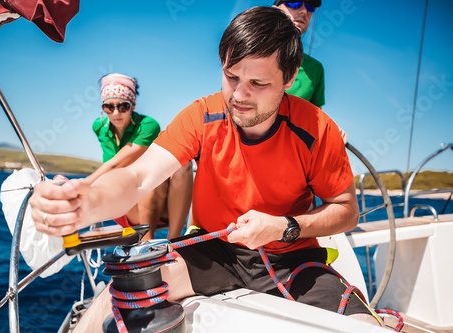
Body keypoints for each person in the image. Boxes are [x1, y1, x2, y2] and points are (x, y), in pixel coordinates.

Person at [30, 6, 379, 331]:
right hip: (216, 250)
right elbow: (138, 177)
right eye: (231, 76)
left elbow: (346, 211)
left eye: (258, 83)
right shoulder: (203, 115)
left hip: (293, 258)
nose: (239, 95)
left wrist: (282, 227)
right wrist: (86, 202)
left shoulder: (318, 129)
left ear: (288, 81)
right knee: (122, 291)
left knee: (362, 326)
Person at [90, 73, 193, 239]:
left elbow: (117, 162)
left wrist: (84, 183)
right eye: (109, 107)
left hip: (158, 203)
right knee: (143, 174)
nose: (116, 113)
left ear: (133, 105)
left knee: (181, 164)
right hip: (124, 204)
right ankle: (147, 241)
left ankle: (175, 242)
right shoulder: (99, 127)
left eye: (123, 106)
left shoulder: (148, 126)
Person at [274, 0, 348, 143]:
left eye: (310, 6)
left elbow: (316, 119)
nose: (303, 11)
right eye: (294, 3)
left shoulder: (316, 69)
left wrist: (330, 131)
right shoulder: (252, 51)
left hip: (288, 153)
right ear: (275, 9)